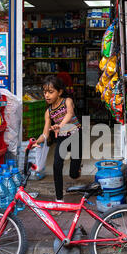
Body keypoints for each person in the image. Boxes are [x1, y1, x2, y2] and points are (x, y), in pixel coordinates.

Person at [32, 76, 82, 209]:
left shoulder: (67, 101)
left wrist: (60, 125)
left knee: (73, 174)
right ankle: (59, 199)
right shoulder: (48, 112)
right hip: (62, 138)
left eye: (50, 91)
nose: (46, 95)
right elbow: (45, 133)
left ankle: (77, 168)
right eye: (45, 92)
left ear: (59, 92)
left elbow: (69, 114)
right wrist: (37, 141)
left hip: (75, 136)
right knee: (56, 165)